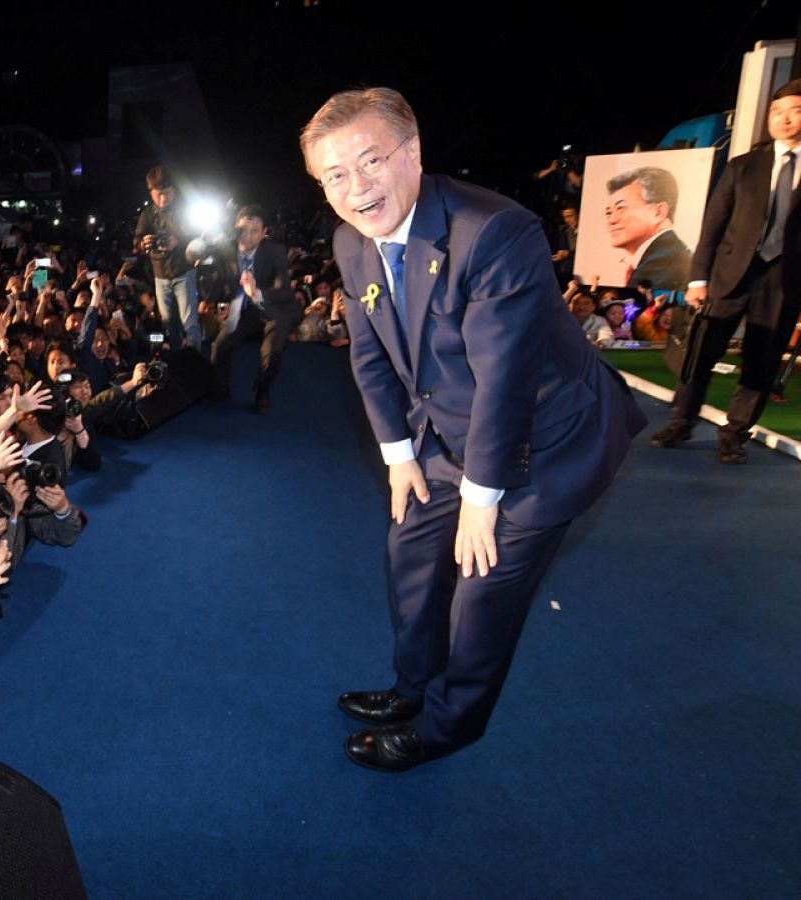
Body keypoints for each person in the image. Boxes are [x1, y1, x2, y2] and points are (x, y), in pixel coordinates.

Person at [300, 87, 644, 771]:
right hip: (447, 431)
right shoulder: (351, 241)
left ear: (414, 152)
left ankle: (452, 723)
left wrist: (483, 500)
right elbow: (369, 354)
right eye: (334, 176)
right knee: (412, 556)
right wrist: (398, 455)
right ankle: (412, 688)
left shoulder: (494, 231)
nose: (356, 189)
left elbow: (507, 379)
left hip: (546, 438)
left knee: (481, 586)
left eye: (370, 161)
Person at [651, 78, 801, 464]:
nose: (784, 119)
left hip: (783, 279)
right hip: (729, 273)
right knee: (701, 353)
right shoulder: (743, 165)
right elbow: (713, 225)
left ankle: (735, 433)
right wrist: (698, 277)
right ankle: (681, 421)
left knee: (762, 362)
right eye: (777, 112)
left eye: (795, 111)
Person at [207, 204, 301, 412]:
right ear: (235, 227)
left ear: (264, 232)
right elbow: (215, 288)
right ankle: (220, 390)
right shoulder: (225, 252)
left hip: (276, 309)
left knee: (271, 350)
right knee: (220, 345)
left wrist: (255, 292)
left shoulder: (276, 251)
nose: (247, 236)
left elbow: (283, 289)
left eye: (254, 231)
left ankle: (263, 392)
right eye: (243, 229)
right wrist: (204, 277)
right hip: (244, 309)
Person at [133, 166, 202, 351]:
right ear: (151, 192)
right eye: (158, 194)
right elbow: (136, 241)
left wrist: (178, 240)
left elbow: (199, 235)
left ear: (175, 190)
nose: (163, 199)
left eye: (167, 193)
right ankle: (175, 364)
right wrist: (143, 242)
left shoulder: (185, 209)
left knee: (190, 324)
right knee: (168, 325)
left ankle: (196, 364)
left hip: (183, 271)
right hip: (160, 275)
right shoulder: (147, 214)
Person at [604, 167, 692, 291]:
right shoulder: (660, 255)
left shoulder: (661, 262)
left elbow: (633, 308)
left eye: (621, 208)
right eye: (608, 212)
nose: (612, 220)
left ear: (659, 212)